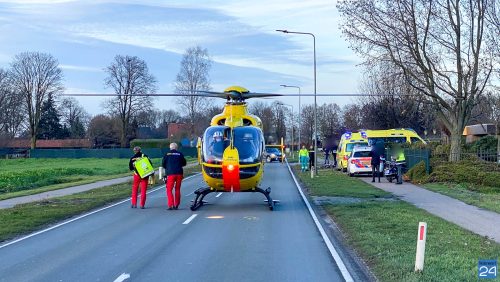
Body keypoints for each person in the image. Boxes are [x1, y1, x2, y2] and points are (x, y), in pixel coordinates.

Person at [162, 142, 187, 210]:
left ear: (170, 147)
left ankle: (171, 205)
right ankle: (176, 205)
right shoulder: (180, 154)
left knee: (169, 190)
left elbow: (163, 164)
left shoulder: (167, 154)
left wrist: (168, 167)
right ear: (176, 148)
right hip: (179, 173)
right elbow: (184, 163)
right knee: (177, 189)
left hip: (170, 174)